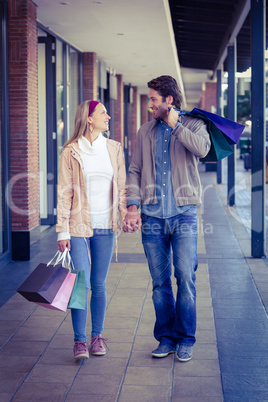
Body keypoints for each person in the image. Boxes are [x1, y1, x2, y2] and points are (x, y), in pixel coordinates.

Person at [123, 75, 211, 362]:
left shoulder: (195, 124)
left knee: (185, 277)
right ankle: (166, 337)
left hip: (184, 214)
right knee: (160, 283)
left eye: (152, 99)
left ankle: (186, 338)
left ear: (169, 100)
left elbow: (203, 149)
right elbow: (134, 169)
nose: (149, 104)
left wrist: (176, 126)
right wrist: (133, 205)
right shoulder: (145, 131)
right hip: (152, 217)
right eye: (149, 99)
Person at [56, 100, 127, 360]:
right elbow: (64, 192)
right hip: (78, 226)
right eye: (103, 113)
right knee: (80, 283)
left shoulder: (114, 148)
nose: (108, 117)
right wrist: (61, 231)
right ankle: (79, 341)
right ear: (89, 119)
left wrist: (126, 214)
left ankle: (97, 337)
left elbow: (121, 185)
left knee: (98, 284)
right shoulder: (71, 151)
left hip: (105, 226)